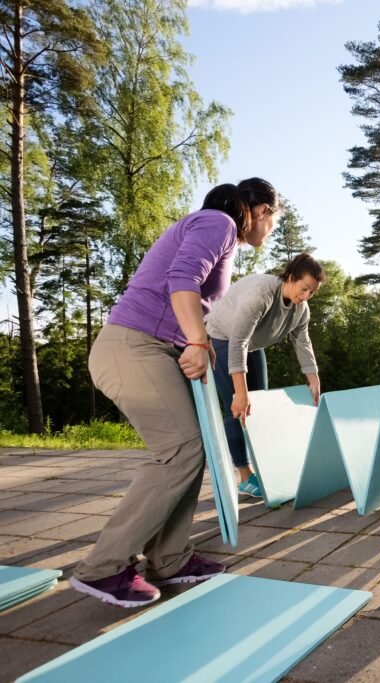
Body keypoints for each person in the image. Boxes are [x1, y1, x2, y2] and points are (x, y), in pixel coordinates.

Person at [70, 178, 280, 608]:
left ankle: (170, 560)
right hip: (133, 344)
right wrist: (199, 343)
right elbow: (181, 280)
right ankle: (103, 567)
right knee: (180, 448)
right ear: (260, 211)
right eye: (275, 218)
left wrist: (193, 345)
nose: (273, 227)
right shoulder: (218, 222)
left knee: (192, 448)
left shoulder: (220, 231)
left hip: (154, 348)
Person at [205, 252, 325, 498]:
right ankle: (245, 476)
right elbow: (237, 343)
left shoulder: (301, 309)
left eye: (311, 292)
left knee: (260, 406)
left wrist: (313, 379)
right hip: (224, 337)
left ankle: (266, 468)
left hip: (252, 345)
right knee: (238, 406)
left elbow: (303, 342)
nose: (306, 296)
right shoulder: (260, 295)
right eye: (303, 289)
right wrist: (241, 392)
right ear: (290, 277)